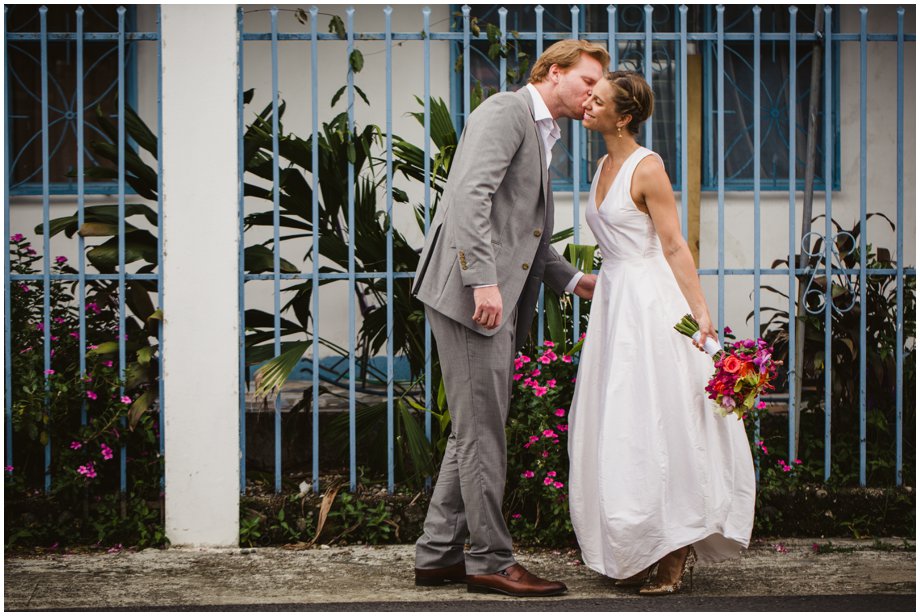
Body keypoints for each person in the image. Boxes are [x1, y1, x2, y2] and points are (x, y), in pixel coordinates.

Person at [411, 39, 609, 597]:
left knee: (474, 427)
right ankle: (490, 559)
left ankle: (436, 554)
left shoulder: (543, 130)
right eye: (588, 80)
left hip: (486, 292)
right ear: (553, 71)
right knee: (483, 432)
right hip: (472, 296)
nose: (595, 93)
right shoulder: (506, 110)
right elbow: (468, 199)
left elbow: (524, 230)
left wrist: (574, 280)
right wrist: (483, 281)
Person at [568, 70, 756, 595]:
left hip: (652, 307)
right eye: (589, 95)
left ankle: (674, 554)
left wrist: (700, 313)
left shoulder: (647, 167)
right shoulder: (604, 163)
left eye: (597, 99)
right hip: (615, 305)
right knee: (623, 424)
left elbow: (674, 245)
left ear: (623, 116)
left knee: (661, 421)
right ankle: (635, 543)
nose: (587, 102)